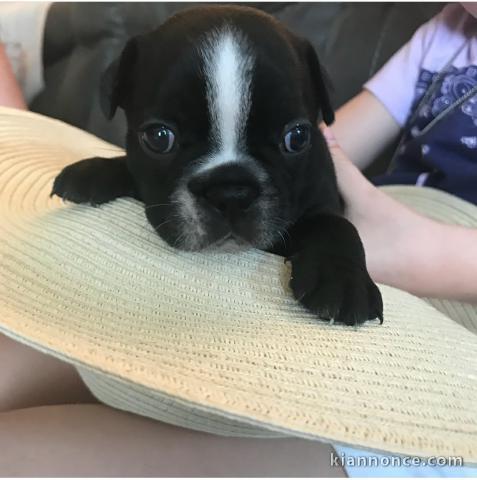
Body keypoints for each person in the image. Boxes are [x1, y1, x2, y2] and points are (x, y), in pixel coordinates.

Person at [1, 2, 477, 477]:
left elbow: (317, 179)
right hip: (370, 227)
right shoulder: (441, 38)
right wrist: (138, 174)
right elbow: (331, 150)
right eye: (160, 137)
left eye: (292, 136)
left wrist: (405, 251)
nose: (229, 196)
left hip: (436, 335)